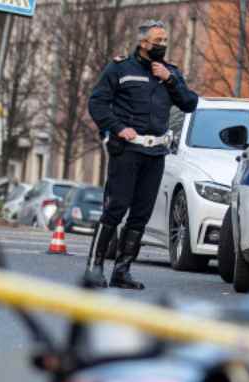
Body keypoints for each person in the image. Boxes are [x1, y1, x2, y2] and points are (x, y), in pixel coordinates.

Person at [83, 20, 198, 290]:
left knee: (141, 214)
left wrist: (170, 80)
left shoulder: (170, 73)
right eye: (157, 41)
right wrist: (117, 128)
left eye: (165, 41)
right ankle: (94, 268)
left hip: (155, 153)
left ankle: (122, 271)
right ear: (143, 43)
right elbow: (97, 102)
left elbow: (190, 103)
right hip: (127, 150)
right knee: (115, 208)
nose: (162, 46)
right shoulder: (120, 68)